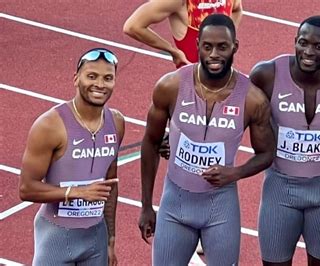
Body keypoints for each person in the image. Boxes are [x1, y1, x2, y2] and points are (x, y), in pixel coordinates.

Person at [138, 14, 275, 265]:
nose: (214, 54)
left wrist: (235, 172)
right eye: (207, 46)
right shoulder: (171, 86)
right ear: (197, 45)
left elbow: (267, 153)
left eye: (222, 47)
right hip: (175, 204)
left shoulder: (252, 99)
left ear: (235, 47)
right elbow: (150, 141)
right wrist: (146, 204)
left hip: (220, 208)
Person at [249, 16, 320, 266]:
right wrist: (180, 135)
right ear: (295, 42)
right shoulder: (267, 74)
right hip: (279, 188)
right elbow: (232, 114)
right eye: (303, 43)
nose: (309, 52)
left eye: (319, 46)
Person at [19, 48, 125, 266]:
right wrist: (77, 192)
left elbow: (110, 186)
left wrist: (111, 239)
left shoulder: (116, 123)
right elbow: (26, 188)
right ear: (76, 79)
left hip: (96, 238)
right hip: (56, 237)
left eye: (108, 78)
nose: (99, 85)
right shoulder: (50, 125)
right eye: (92, 76)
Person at [123, 0, 243, 67]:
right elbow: (132, 26)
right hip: (192, 88)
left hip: (223, 81)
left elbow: (237, 9)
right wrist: (173, 51)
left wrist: (229, 39)